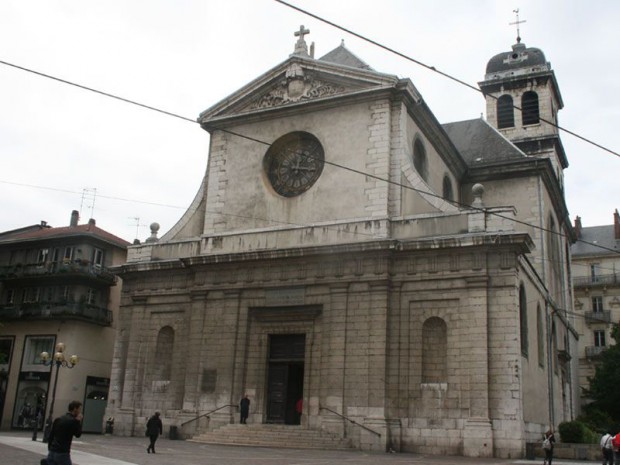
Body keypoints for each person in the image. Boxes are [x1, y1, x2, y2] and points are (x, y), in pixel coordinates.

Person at [46, 400, 83, 465]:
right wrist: (78, 421)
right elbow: (78, 434)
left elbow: (51, 435)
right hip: (62, 452)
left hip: (52, 451)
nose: (80, 411)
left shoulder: (58, 419)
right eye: (79, 409)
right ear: (75, 409)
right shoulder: (73, 421)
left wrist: (50, 448)